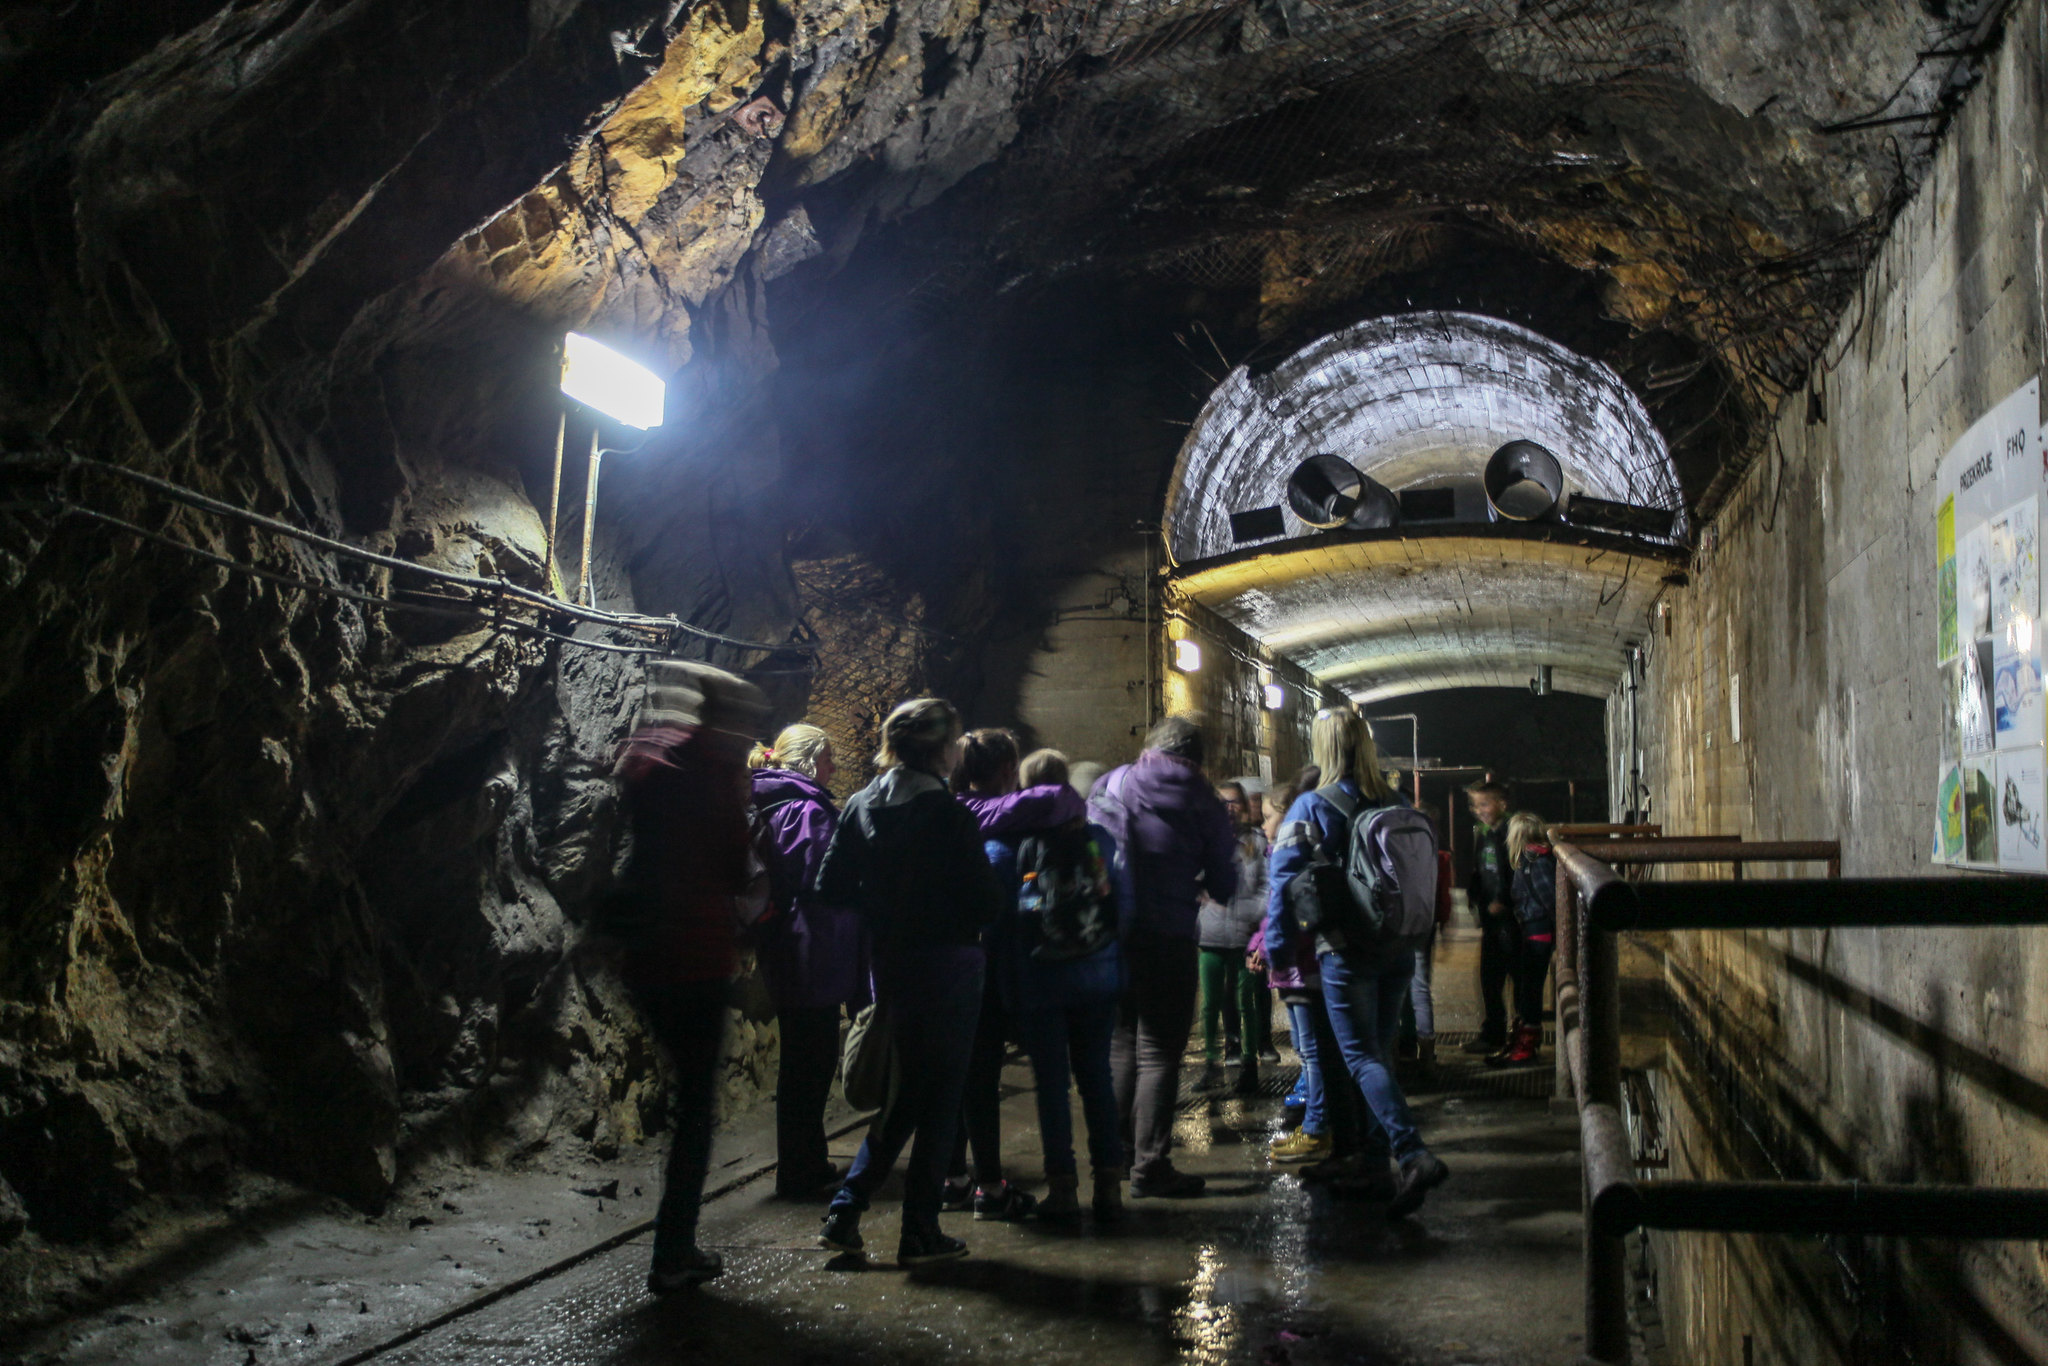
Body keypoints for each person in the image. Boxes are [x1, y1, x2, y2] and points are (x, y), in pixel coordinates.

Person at [817, 699, 1002, 1266]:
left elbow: (830, 886)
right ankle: (918, 1232)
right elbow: (985, 900)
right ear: (938, 749)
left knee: (906, 1095)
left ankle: (847, 1210)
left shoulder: (859, 804)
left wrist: (884, 910)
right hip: (949, 965)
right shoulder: (948, 814)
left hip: (892, 967)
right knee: (940, 1101)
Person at [613, 662, 769, 1293]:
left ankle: (674, 1246)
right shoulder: (712, 776)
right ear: (730, 721)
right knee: (696, 1109)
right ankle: (674, 1251)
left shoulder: (660, 764)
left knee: (687, 1101)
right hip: (696, 956)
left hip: (647, 953)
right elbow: (735, 867)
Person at [1269, 709, 1449, 1217]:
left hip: (1346, 952)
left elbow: (1284, 884)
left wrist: (1280, 953)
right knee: (1380, 1054)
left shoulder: (1310, 806)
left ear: (1323, 748)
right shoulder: (1396, 801)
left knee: (1360, 1057)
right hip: (1397, 948)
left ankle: (1412, 1154)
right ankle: (1371, 1162)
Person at [940, 728, 1085, 1221]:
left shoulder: (945, 816)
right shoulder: (1009, 838)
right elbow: (1022, 911)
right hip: (990, 971)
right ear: (1006, 771)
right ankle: (989, 1186)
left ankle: (953, 1176)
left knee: (954, 1076)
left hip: (941, 963)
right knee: (980, 1077)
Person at [1091, 714, 1238, 1199]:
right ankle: (1150, 1165)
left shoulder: (1112, 783)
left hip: (1114, 935)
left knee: (1119, 1045)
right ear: (1197, 759)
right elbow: (1224, 885)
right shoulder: (1207, 804)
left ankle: (1109, 1157)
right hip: (1170, 938)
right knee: (1159, 1053)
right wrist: (1192, 883)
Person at [996, 747, 1128, 1223]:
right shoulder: (1100, 839)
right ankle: (1110, 1185)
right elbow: (1120, 905)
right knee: (1097, 1077)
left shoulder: (1018, 846)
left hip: (1043, 979)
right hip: (1096, 976)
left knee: (1051, 1085)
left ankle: (1064, 1189)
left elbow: (1013, 923)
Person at [752, 723, 867, 1199]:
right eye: (828, 758)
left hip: (785, 942)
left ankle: (805, 1161)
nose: (834, 768)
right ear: (809, 759)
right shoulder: (807, 807)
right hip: (810, 946)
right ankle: (800, 1170)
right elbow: (824, 878)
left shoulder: (771, 799)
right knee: (811, 1062)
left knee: (801, 1060)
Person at [1197, 780, 1270, 1093]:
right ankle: (1210, 1064)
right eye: (1222, 803)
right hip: (1210, 935)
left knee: (1247, 1003)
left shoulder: (1257, 842)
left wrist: (1249, 914)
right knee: (1210, 1004)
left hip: (1244, 937)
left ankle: (1249, 1065)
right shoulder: (1204, 841)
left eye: (1234, 802)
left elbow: (1269, 886)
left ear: (1243, 806)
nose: (1228, 809)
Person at [1490, 812, 1557, 1068]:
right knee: (1526, 988)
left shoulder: (1534, 862)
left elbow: (1550, 899)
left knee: (1530, 990)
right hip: (1531, 929)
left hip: (1537, 931)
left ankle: (1526, 1046)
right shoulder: (1530, 860)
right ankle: (1521, 1040)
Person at [1464, 780, 1516, 1055]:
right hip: (1492, 920)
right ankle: (1494, 1033)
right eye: (1475, 805)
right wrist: (1475, 893)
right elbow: (1481, 869)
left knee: (1515, 980)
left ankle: (1515, 1037)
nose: (1479, 810)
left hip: (1510, 921)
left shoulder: (1512, 832)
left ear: (1502, 804)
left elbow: (1515, 870)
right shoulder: (1485, 833)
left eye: (1484, 803)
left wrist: (1503, 900)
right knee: (1489, 979)